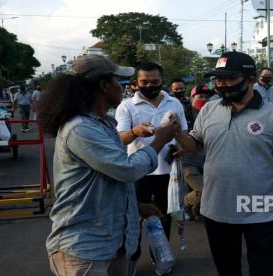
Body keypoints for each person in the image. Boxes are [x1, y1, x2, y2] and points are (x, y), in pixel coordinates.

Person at [42, 54, 178, 276]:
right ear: (104, 86)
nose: (122, 87)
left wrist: (134, 206)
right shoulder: (80, 128)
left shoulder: (102, 124)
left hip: (116, 243)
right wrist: (159, 140)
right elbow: (127, 169)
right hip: (85, 249)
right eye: (118, 81)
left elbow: (109, 177)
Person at [174, 51, 273, 276]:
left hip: (260, 210)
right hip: (216, 208)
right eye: (218, 80)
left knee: (265, 270)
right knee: (227, 270)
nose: (221, 85)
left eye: (229, 78)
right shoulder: (209, 109)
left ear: (250, 79)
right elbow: (194, 145)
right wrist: (177, 134)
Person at [115, 62, 188, 267]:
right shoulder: (126, 106)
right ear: (136, 84)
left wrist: (182, 146)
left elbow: (183, 133)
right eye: (144, 82)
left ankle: (161, 258)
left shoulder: (174, 103)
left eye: (155, 81)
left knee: (164, 217)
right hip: (138, 171)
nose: (150, 85)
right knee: (133, 220)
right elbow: (120, 139)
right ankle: (132, 260)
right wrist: (135, 132)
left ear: (162, 81)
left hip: (168, 171)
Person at [181, 84, 214, 220]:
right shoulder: (182, 115)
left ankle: (196, 211)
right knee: (203, 191)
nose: (204, 99)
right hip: (188, 162)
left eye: (207, 97)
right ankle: (182, 204)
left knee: (211, 191)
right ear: (192, 97)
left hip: (207, 162)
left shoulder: (213, 114)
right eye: (200, 96)